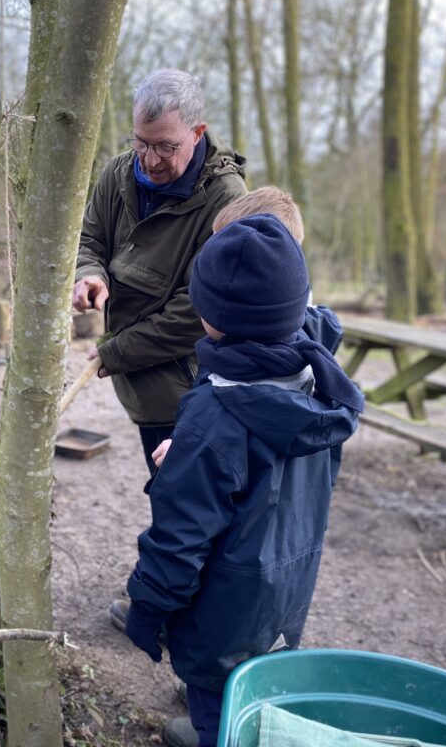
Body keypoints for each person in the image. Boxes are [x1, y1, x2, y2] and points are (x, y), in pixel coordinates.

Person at [122, 214, 364, 747]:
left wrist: (146, 610)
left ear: (209, 313)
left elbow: (181, 539)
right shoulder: (317, 373)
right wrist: (191, 455)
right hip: (287, 587)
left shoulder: (213, 415)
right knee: (261, 690)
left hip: (222, 614)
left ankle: (216, 732)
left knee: (219, 712)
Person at [71, 68, 247, 478]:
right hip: (141, 384)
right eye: (141, 142)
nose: (150, 160)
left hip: (190, 391)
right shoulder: (117, 173)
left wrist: (117, 352)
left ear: (198, 132)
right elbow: (90, 238)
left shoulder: (226, 200)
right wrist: (90, 274)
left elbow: (200, 309)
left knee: (186, 515)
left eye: (166, 147)